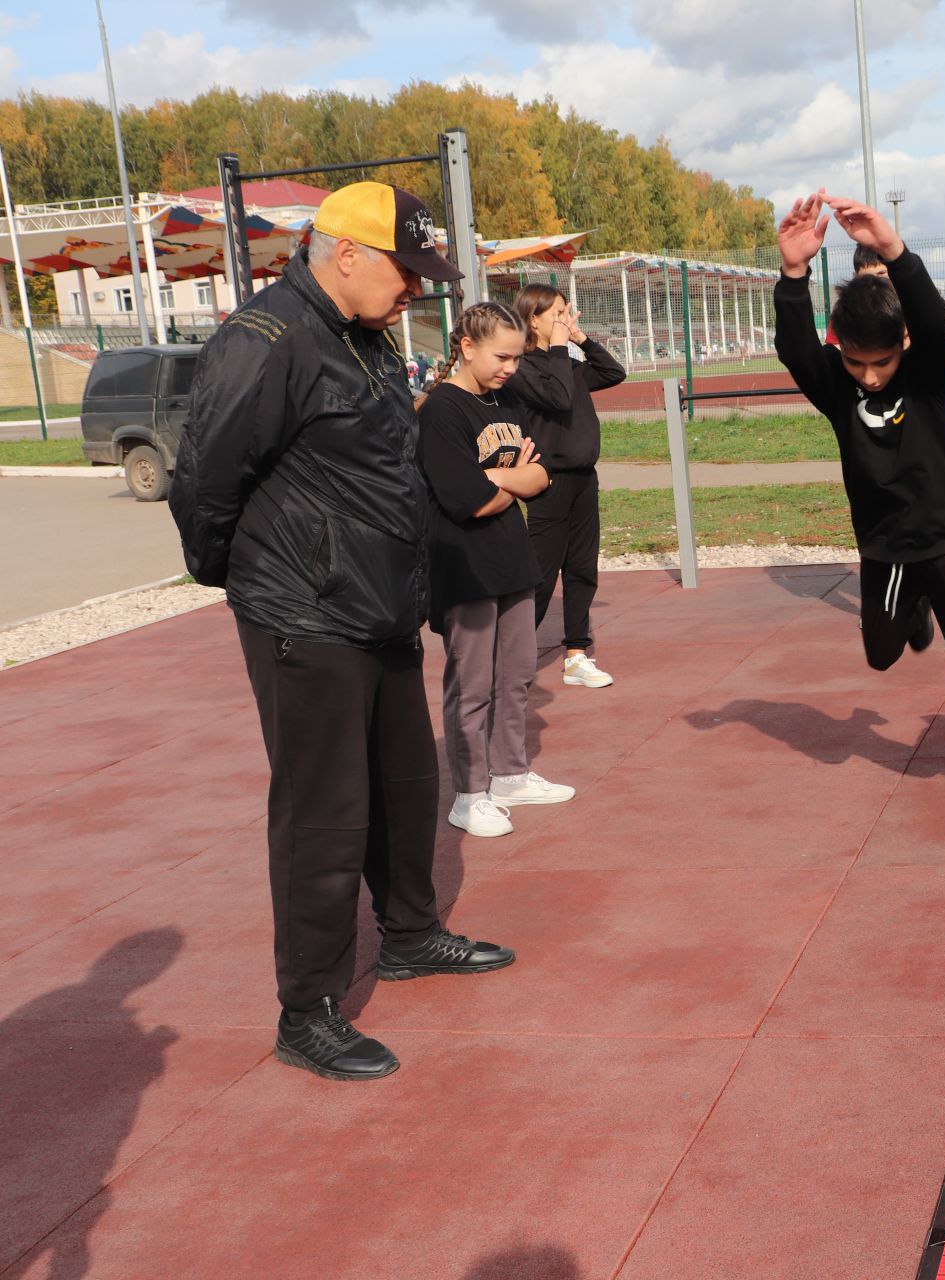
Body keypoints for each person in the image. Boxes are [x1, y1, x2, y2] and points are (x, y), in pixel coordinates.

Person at [169, 182, 515, 1083]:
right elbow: (206, 481)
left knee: (405, 786)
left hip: (379, 608)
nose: (416, 290)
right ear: (346, 254)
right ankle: (307, 1010)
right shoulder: (268, 340)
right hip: (304, 614)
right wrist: (259, 581)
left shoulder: (360, 334)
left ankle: (407, 934)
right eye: (406, 271)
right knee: (324, 814)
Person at [772, 189, 945, 693]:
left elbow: (934, 318)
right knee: (881, 655)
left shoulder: (929, 379)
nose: (869, 377)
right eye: (856, 362)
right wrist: (792, 274)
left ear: (904, 344)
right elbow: (794, 348)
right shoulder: (835, 384)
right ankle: (914, 610)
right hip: (886, 544)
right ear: (841, 348)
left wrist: (892, 247)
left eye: (882, 362)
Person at [418, 302, 576, 838]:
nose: (511, 367)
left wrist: (502, 477)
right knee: (472, 684)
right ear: (467, 347)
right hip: (464, 565)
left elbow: (541, 476)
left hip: (513, 559)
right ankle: (469, 793)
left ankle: (509, 772)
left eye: (516, 356)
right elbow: (469, 500)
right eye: (501, 356)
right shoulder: (442, 410)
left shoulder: (506, 400)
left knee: (517, 675)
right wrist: (514, 478)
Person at [507, 285, 628, 690]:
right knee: (540, 576)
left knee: (581, 570)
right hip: (548, 482)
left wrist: (580, 340)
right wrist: (560, 348)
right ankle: (511, 658)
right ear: (533, 319)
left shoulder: (568, 363)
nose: (564, 318)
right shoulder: (522, 368)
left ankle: (577, 654)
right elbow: (557, 398)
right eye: (557, 313)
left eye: (566, 312)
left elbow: (614, 373)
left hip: (583, 481)